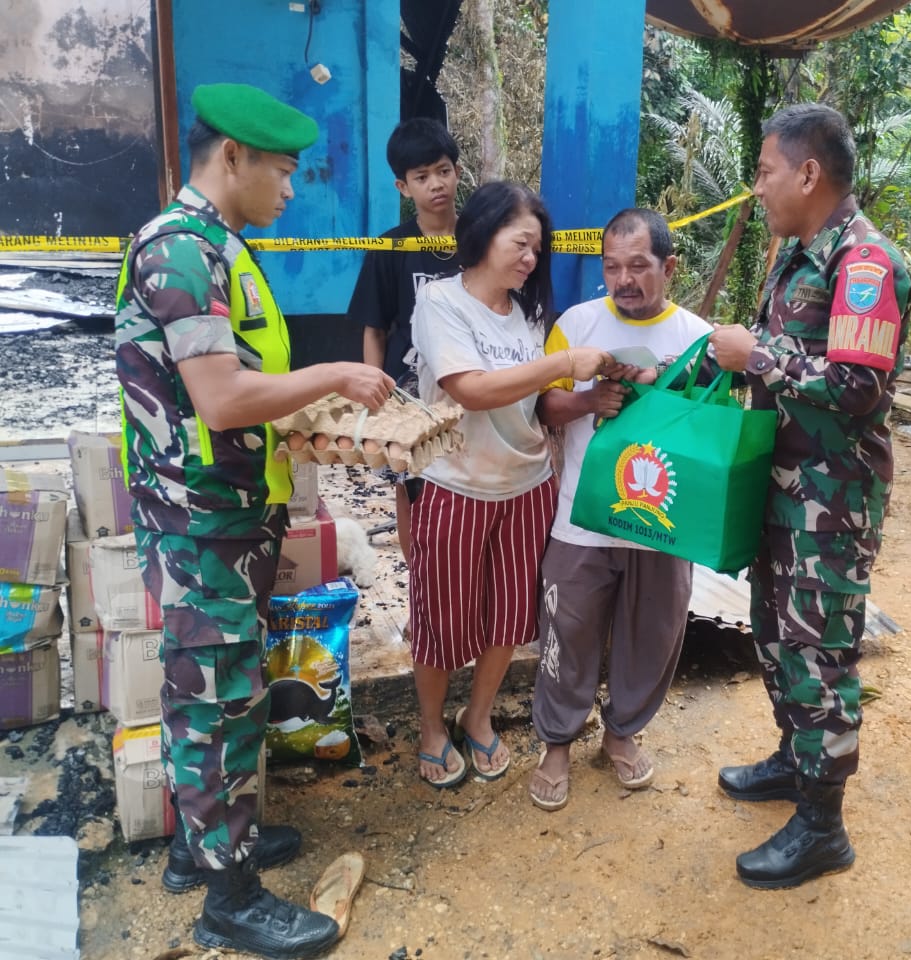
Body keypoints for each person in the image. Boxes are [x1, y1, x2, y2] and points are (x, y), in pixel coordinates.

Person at [115, 83, 394, 959]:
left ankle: (204, 845)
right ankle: (229, 898)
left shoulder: (221, 246)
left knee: (220, 687)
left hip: (230, 514)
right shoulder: (181, 251)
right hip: (201, 522)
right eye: (283, 168)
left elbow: (244, 382)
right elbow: (224, 397)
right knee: (216, 696)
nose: (292, 187)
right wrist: (335, 376)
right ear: (232, 156)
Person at [708, 103, 911, 889]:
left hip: (830, 498)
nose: (757, 186)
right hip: (782, 484)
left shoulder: (864, 263)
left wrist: (757, 355)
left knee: (818, 650)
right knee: (773, 632)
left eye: (765, 172)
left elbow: (858, 386)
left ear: (807, 173)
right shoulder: (798, 255)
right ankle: (796, 762)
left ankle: (823, 826)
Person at [407, 181, 613, 788]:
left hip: (528, 487)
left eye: (536, 249)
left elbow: (537, 402)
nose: (530, 258)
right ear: (483, 232)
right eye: (520, 243)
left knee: (508, 616)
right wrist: (561, 363)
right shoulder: (440, 301)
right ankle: (431, 728)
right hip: (456, 485)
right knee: (442, 619)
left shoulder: (529, 313)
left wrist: (594, 384)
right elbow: (469, 389)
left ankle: (477, 717)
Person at [527, 208, 711, 811]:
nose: (623, 279)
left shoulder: (697, 337)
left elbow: (709, 428)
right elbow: (544, 408)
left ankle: (622, 733)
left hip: (662, 525)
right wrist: (590, 401)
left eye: (638, 265)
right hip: (582, 519)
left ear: (669, 266)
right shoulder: (576, 324)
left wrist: (661, 389)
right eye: (611, 266)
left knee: (654, 634)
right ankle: (557, 742)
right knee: (567, 629)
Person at [347, 117, 462, 562]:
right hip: (409, 393)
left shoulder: (482, 241)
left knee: (464, 485)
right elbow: (374, 328)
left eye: (443, 171)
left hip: (470, 390)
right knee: (412, 486)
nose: (436, 184)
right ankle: (421, 579)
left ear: (457, 172)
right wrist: (375, 401)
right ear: (403, 187)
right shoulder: (389, 248)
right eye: (422, 176)